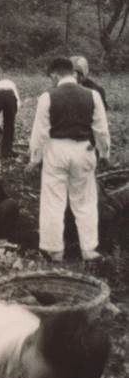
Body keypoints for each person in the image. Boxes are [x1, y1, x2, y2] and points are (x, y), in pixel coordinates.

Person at [27, 57, 110, 262]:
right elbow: (101, 129)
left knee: (53, 200)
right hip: (83, 149)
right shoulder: (92, 95)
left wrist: (34, 159)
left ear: (55, 74)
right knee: (85, 201)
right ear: (72, 72)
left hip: (56, 149)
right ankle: (89, 249)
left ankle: (54, 250)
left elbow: (40, 132)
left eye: (51, 77)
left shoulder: (47, 96)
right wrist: (105, 153)